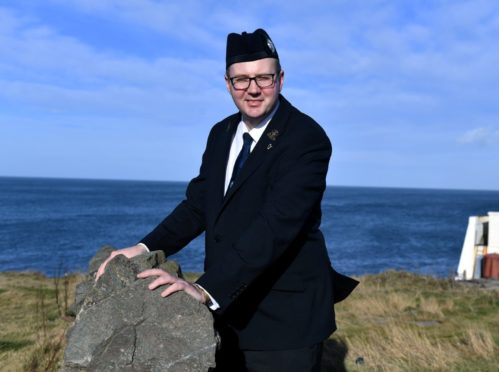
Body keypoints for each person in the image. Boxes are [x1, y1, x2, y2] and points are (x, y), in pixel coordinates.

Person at [96, 28, 357, 371]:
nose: (252, 88)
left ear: (281, 78)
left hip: (284, 320)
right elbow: (197, 204)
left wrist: (205, 290)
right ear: (227, 82)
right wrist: (144, 248)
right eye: (241, 80)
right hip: (227, 314)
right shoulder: (221, 133)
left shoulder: (306, 138)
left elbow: (276, 226)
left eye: (263, 77)